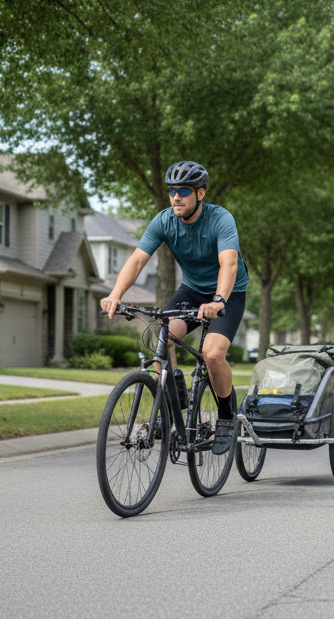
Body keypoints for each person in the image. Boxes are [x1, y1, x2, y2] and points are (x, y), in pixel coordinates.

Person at [100, 160, 249, 449]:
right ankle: (173, 405)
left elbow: (228, 263)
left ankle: (227, 415)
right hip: (191, 290)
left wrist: (219, 300)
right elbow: (138, 259)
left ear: (200, 194)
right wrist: (116, 293)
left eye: (184, 190)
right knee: (162, 337)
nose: (176, 196)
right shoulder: (164, 220)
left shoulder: (221, 219)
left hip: (228, 292)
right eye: (172, 190)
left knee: (213, 354)